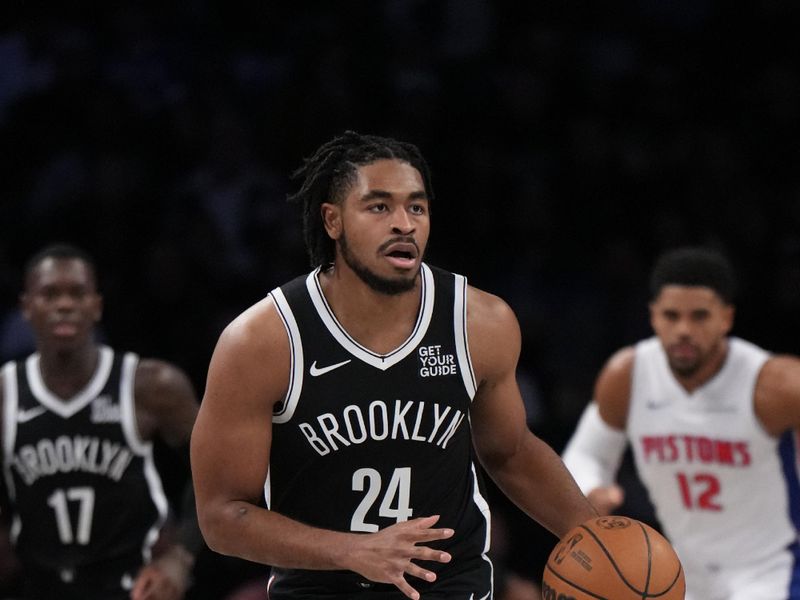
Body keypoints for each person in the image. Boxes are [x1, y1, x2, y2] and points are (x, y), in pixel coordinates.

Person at [190, 130, 596, 600]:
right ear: (333, 220)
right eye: (379, 207)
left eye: (416, 207)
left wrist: (594, 533)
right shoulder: (263, 341)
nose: (403, 223)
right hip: (319, 589)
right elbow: (221, 516)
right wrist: (352, 550)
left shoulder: (480, 322)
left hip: (451, 584)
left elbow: (510, 452)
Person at [562, 246, 800, 600]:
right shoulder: (627, 375)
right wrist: (592, 487)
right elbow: (584, 456)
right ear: (653, 316)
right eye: (671, 316)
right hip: (680, 573)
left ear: (727, 318)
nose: (683, 330)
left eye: (700, 316)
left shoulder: (775, 384)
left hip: (771, 571)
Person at [0, 243, 202, 600]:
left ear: (96, 306)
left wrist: (180, 556)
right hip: (35, 586)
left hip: (133, 586)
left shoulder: (150, 385)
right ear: (26, 307)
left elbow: (219, 474)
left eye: (77, 293)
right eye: (49, 294)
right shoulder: (6, 393)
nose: (64, 305)